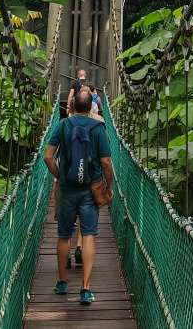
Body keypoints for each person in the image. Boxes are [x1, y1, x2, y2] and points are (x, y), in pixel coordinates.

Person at [45, 87, 114, 305]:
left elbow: (47, 156)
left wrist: (60, 175)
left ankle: (62, 283)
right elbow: (105, 162)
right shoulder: (98, 127)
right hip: (89, 189)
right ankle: (85, 289)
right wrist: (107, 185)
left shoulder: (63, 125)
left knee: (64, 235)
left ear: (71, 106)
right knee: (89, 235)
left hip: (67, 189)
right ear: (90, 106)